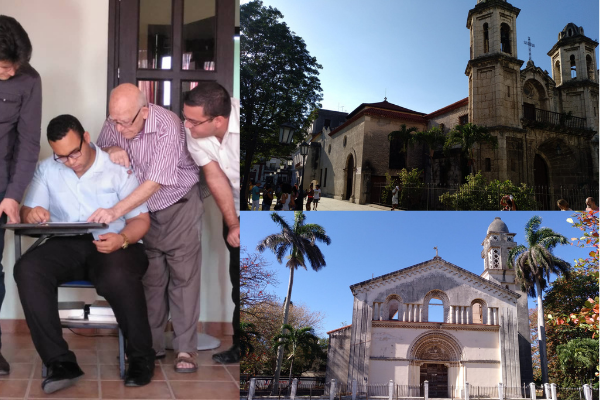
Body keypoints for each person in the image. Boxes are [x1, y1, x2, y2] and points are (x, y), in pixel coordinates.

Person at [13, 115, 155, 393]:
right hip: (66, 244)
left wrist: (122, 238)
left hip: (114, 242)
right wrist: (32, 213)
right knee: (27, 269)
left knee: (117, 276)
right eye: (61, 156)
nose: (70, 161)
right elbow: (27, 211)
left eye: (74, 152)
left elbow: (141, 221)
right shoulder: (47, 170)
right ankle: (60, 362)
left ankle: (141, 357)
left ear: (87, 138)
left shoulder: (117, 167)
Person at [93, 83, 202, 373]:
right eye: (113, 120)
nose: (118, 126)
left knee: (183, 281)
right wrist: (112, 146)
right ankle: (150, 346)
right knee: (151, 281)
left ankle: (185, 350)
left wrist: (117, 211)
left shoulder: (168, 124)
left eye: (124, 122)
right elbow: (99, 149)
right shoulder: (116, 121)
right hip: (143, 213)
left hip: (178, 204)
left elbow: (157, 181)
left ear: (144, 111)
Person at [182, 81, 242, 363]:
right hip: (235, 208)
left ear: (219, 120)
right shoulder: (195, 132)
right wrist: (233, 225)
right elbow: (215, 177)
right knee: (240, 281)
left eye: (193, 121)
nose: (186, 126)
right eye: (186, 117)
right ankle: (241, 346)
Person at [0, 15, 42, 374]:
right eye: (3, 67)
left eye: (16, 66)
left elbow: (28, 144)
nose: (11, 73)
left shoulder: (28, 80)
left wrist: (14, 194)